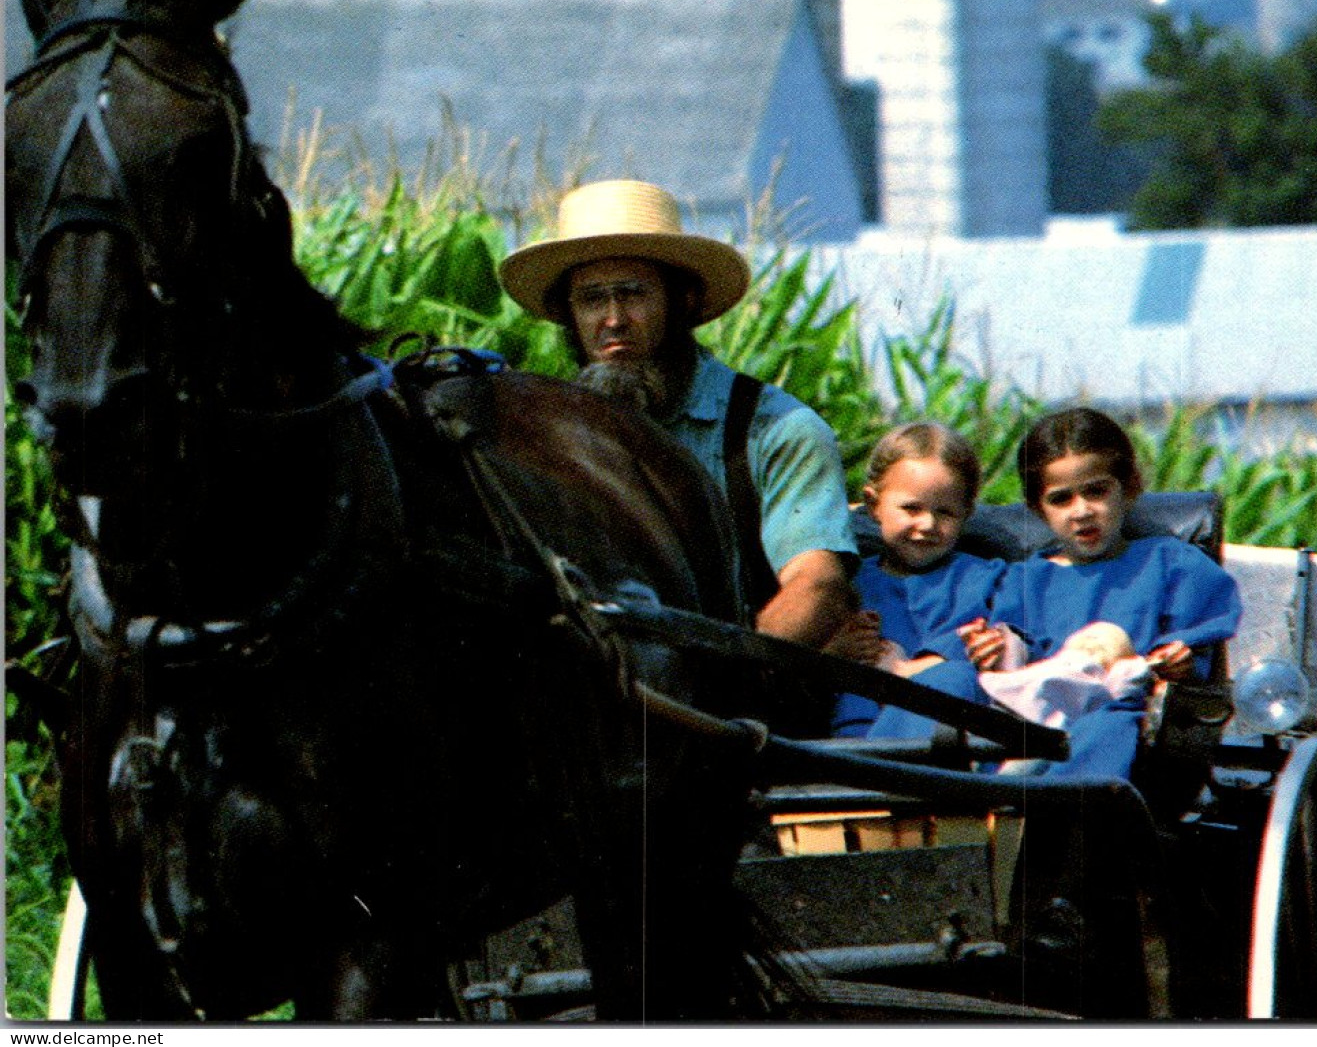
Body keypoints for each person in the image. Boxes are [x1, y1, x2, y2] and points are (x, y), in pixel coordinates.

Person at [498, 179, 858, 660]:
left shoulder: (776, 430)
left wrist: (720, 674)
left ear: (682, 301)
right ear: (568, 315)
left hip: (738, 707)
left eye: (632, 294)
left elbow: (816, 587)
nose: (613, 320)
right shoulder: (543, 438)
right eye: (591, 300)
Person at [867, 406, 1242, 780]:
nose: (1081, 511)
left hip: (1117, 711)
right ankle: (879, 788)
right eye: (1061, 499)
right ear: (1037, 508)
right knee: (948, 680)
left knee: (1108, 725)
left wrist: (1181, 661)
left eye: (1096, 492)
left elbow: (1194, 655)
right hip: (1024, 714)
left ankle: (1050, 821)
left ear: (1128, 488)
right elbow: (1011, 653)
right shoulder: (1024, 580)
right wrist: (994, 648)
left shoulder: (1173, 564)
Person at [822, 422, 1005, 736]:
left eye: (945, 513)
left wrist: (907, 670)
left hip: (946, 738)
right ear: (873, 504)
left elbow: (1001, 645)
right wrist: (835, 651)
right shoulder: (848, 583)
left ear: (967, 513)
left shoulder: (986, 579)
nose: (928, 524)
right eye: (911, 508)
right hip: (855, 737)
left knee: (955, 677)